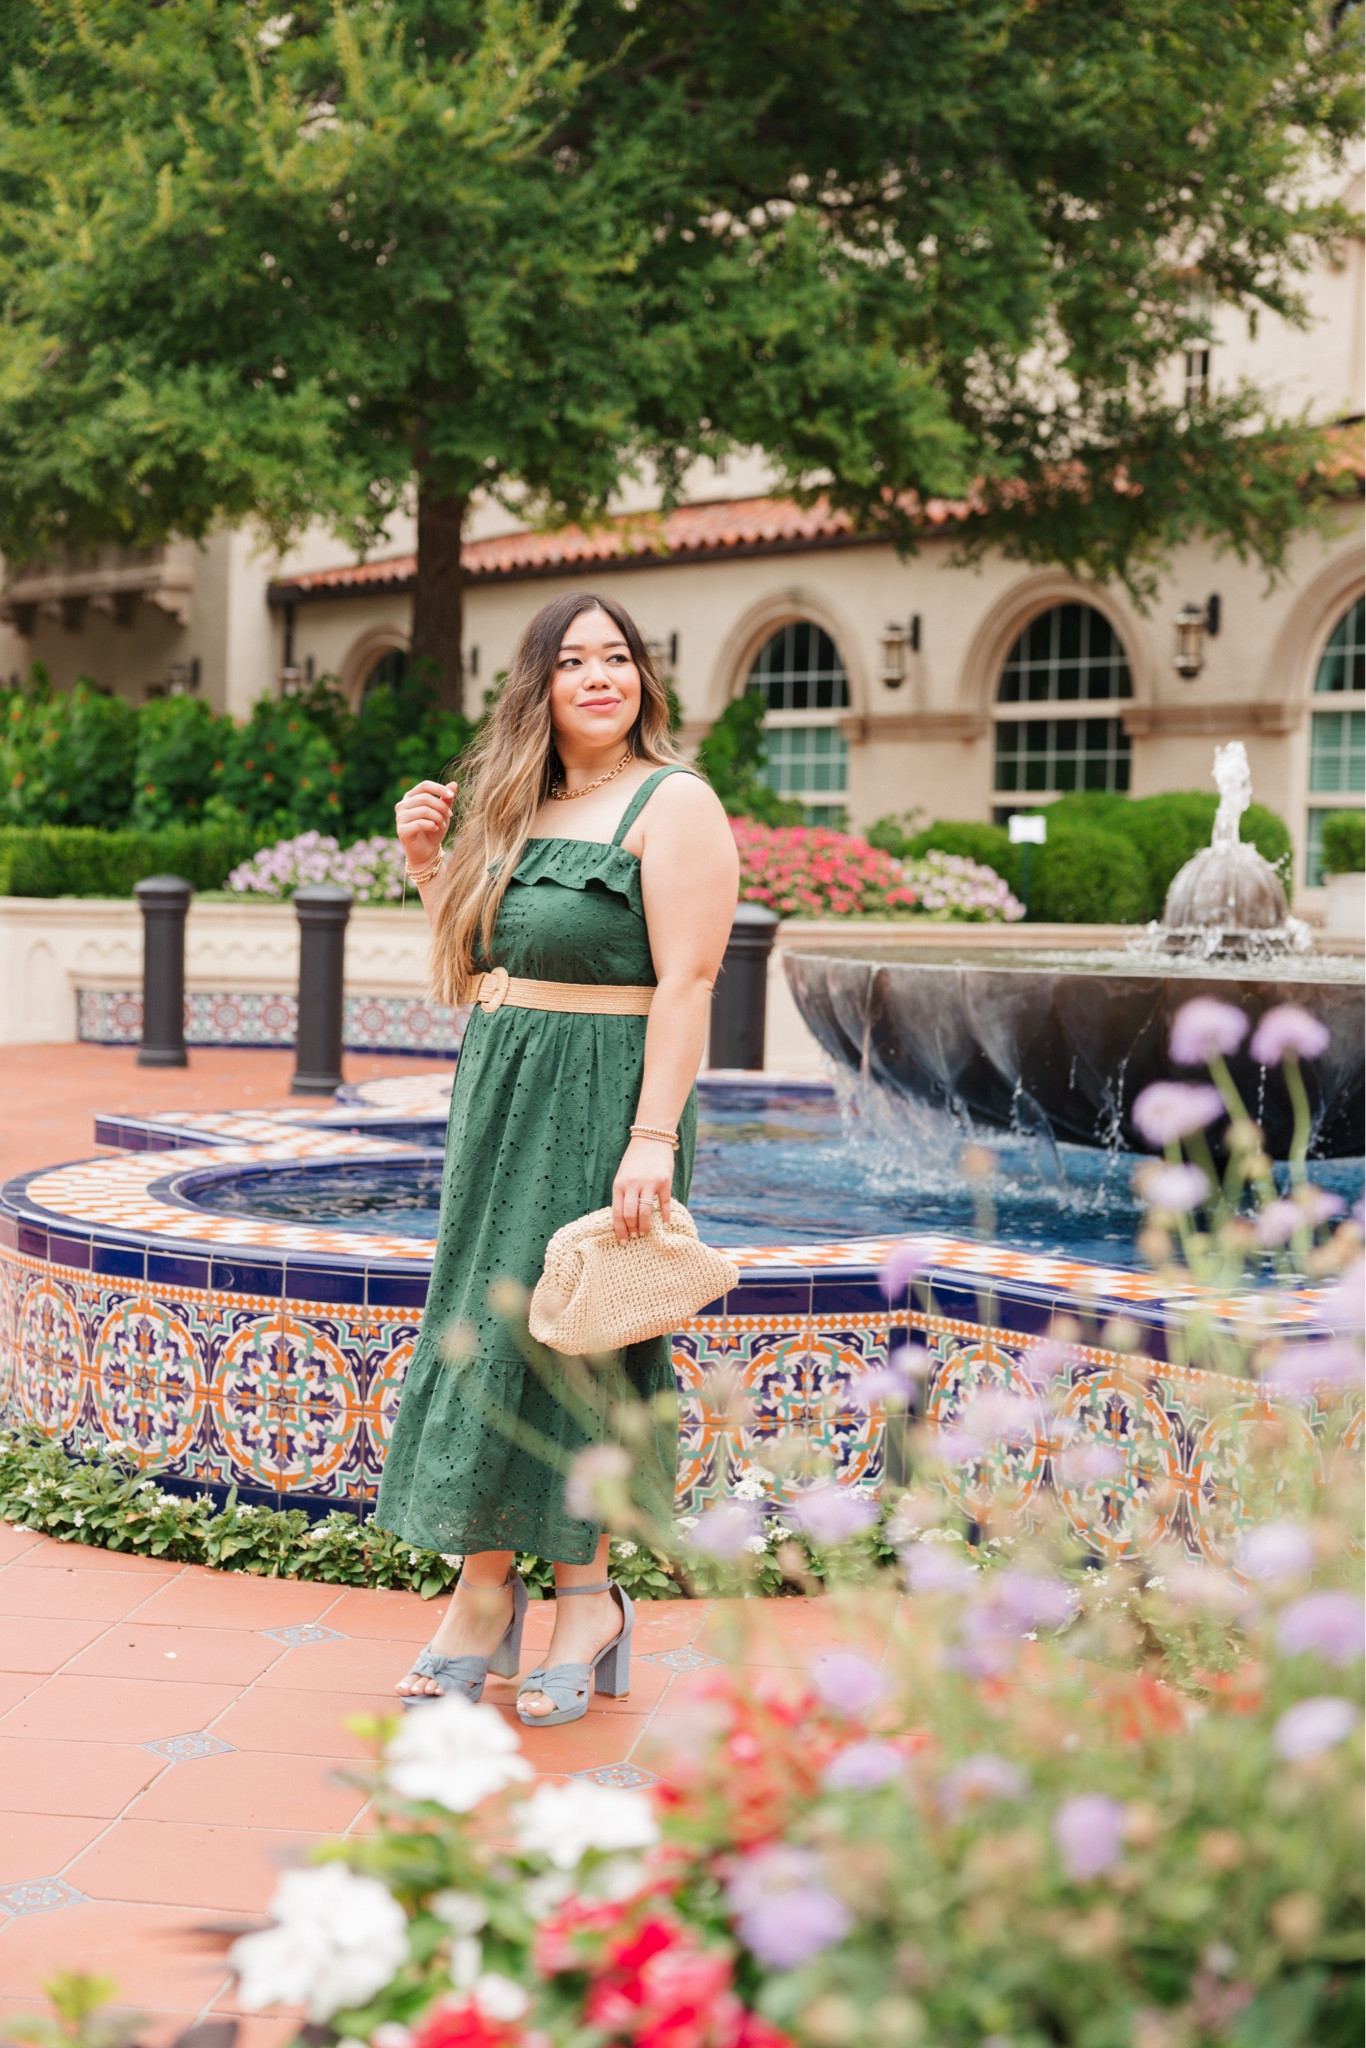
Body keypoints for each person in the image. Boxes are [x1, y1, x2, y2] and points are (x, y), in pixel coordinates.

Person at [377, 591, 738, 1725]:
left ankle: (587, 1601)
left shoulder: (672, 802)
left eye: (616, 656)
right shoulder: (519, 804)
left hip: (603, 1102)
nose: (598, 675)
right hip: (501, 1094)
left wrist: (651, 1138)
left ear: (642, 677)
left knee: (577, 1341)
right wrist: (428, 861)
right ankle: (482, 1593)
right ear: (537, 683)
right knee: (485, 1327)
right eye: (573, 659)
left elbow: (686, 981)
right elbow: (471, 972)